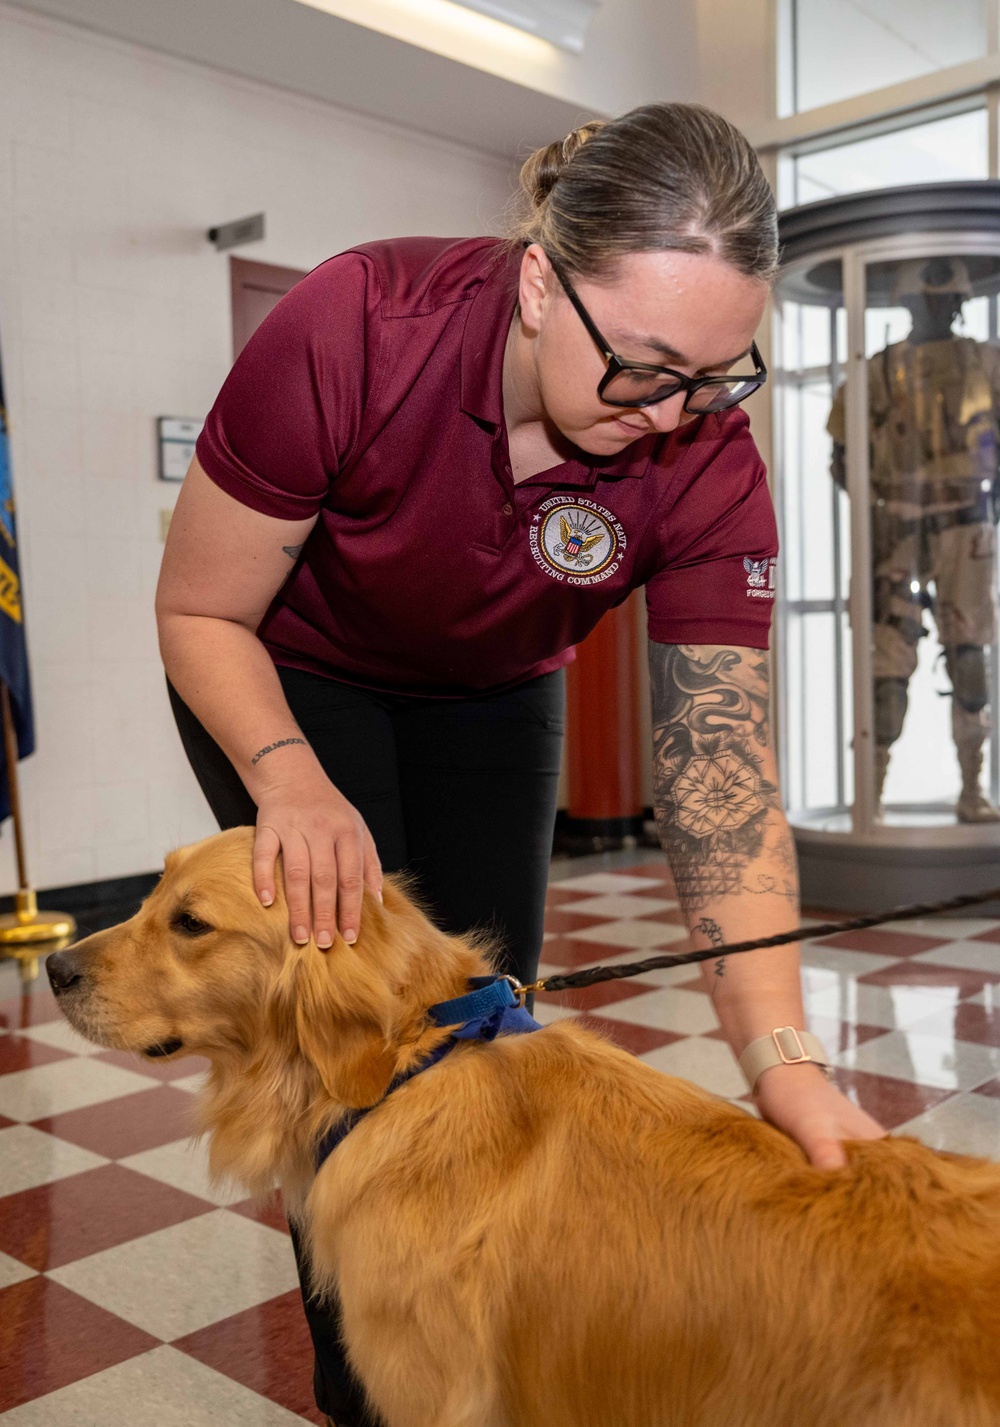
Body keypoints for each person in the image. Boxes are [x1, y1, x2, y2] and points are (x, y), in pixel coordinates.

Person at [156, 103, 884, 1427]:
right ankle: (365, 1379)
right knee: (350, 1027)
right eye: (648, 368)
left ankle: (487, 1336)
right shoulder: (356, 325)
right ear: (542, 282)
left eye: (720, 376)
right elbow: (201, 610)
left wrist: (782, 1056)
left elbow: (718, 770)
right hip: (291, 670)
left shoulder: (706, 453)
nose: (676, 415)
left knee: (479, 1029)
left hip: (494, 693)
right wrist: (288, 775)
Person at [828, 256, 1000, 822]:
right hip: (897, 534)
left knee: (970, 659)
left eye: (950, 300)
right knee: (887, 669)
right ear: (908, 303)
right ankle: (870, 795)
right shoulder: (876, 373)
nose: (944, 309)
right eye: (933, 300)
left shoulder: (987, 364)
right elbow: (844, 458)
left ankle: (973, 789)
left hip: (964, 531)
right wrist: (882, 515)